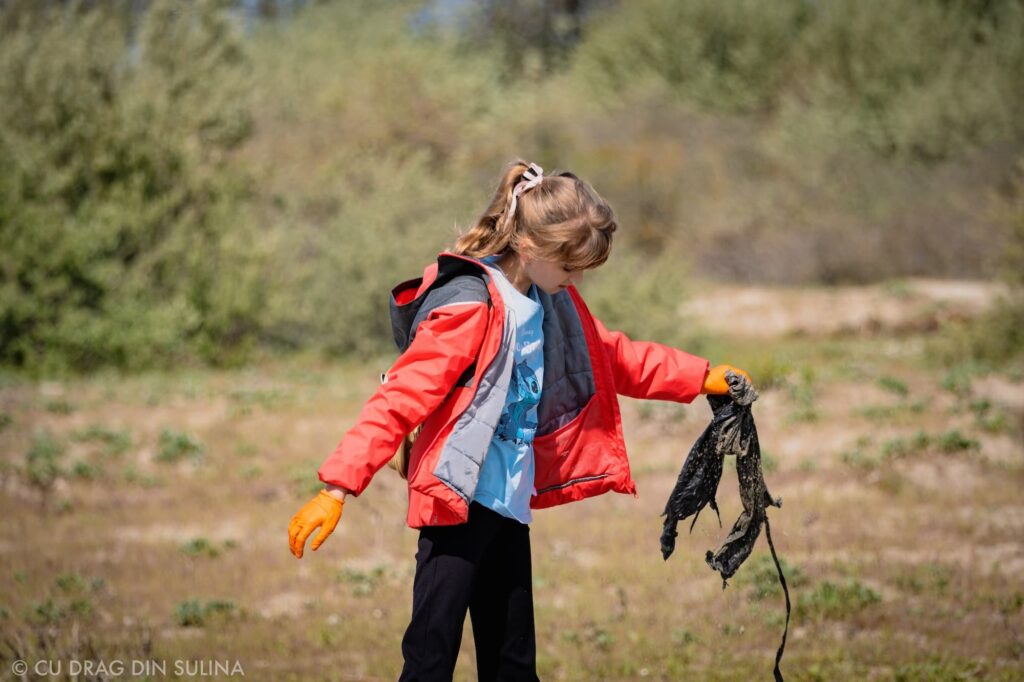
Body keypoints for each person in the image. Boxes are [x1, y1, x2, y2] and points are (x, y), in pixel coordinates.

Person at [288, 159, 753, 681]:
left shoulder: (551, 302)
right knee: (429, 659)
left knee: (512, 663)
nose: (577, 280)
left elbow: (614, 358)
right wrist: (336, 488)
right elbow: (399, 400)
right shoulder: (471, 308)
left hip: (508, 506)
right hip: (455, 509)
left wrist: (702, 376)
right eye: (570, 267)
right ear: (529, 247)